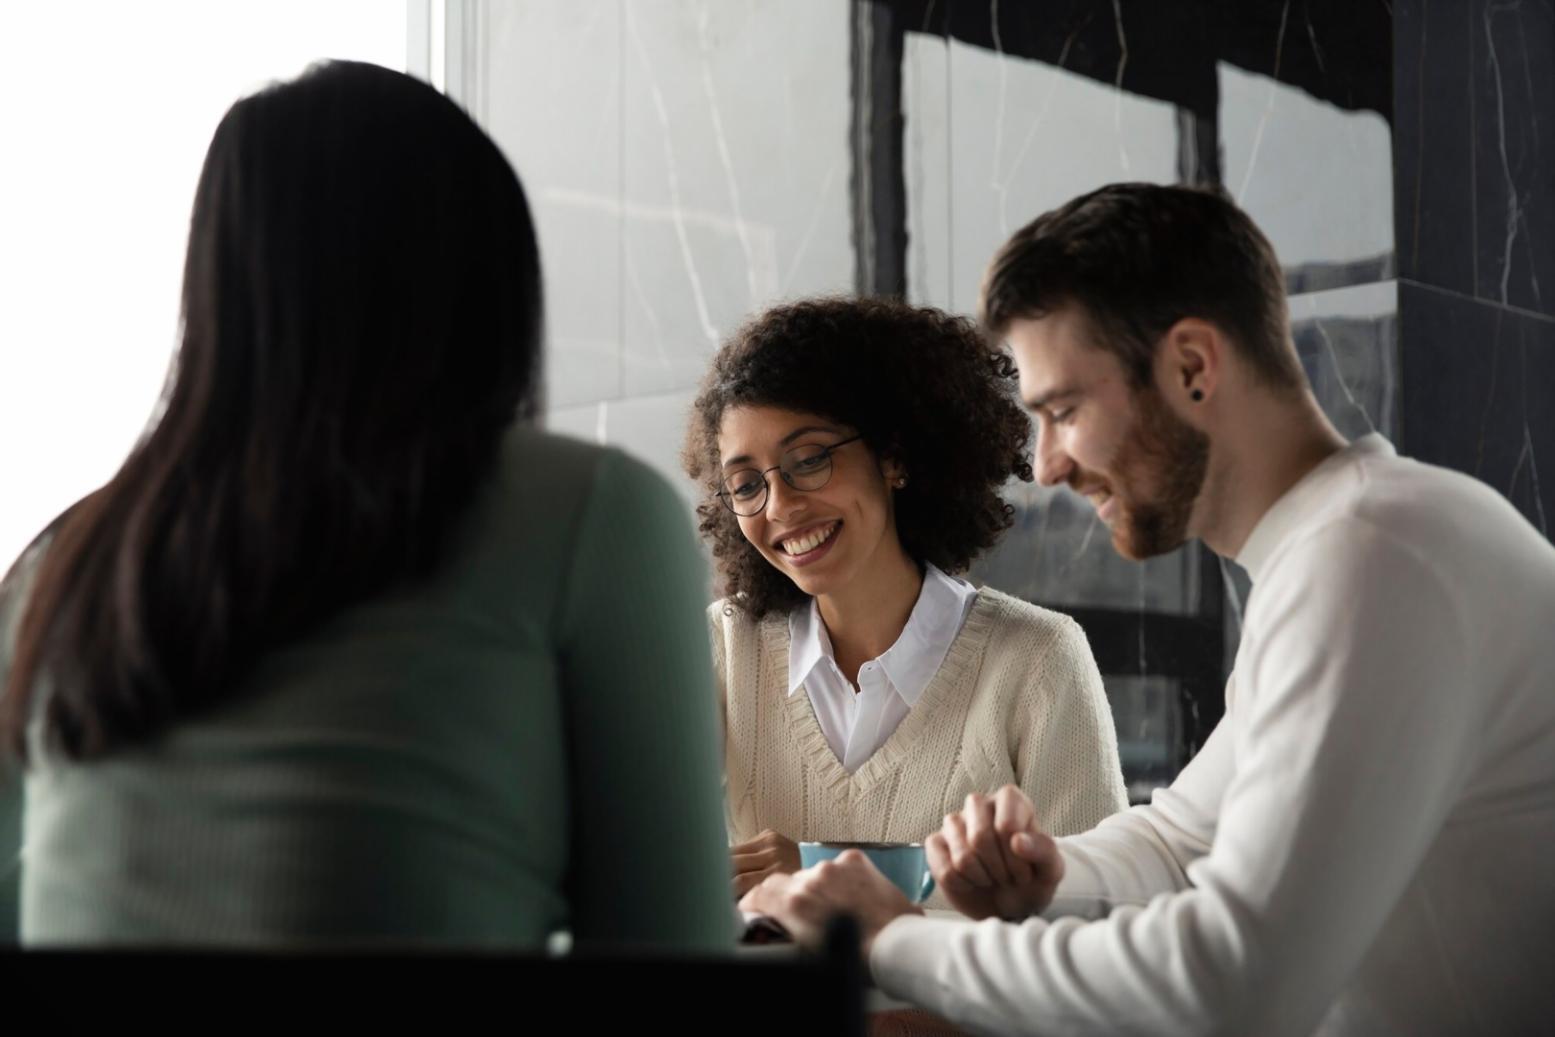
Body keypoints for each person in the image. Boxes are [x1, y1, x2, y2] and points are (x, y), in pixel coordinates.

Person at [742, 183, 1555, 1034]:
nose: (1046, 464)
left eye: (1061, 411)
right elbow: (1179, 841)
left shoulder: (1373, 556)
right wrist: (1046, 869)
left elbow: (1229, 981)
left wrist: (891, 941)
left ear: (1192, 366)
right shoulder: (1348, 545)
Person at [0, 60, 731, 950]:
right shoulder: (593, 513)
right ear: (486, 276)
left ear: (217, 280)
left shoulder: (67, 558)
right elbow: (675, 956)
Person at [682, 297, 1127, 899]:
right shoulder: (723, 649)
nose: (780, 507)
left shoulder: (1039, 661)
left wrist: (821, 875)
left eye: (808, 460)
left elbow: (1093, 924)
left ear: (892, 457)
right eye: (746, 484)